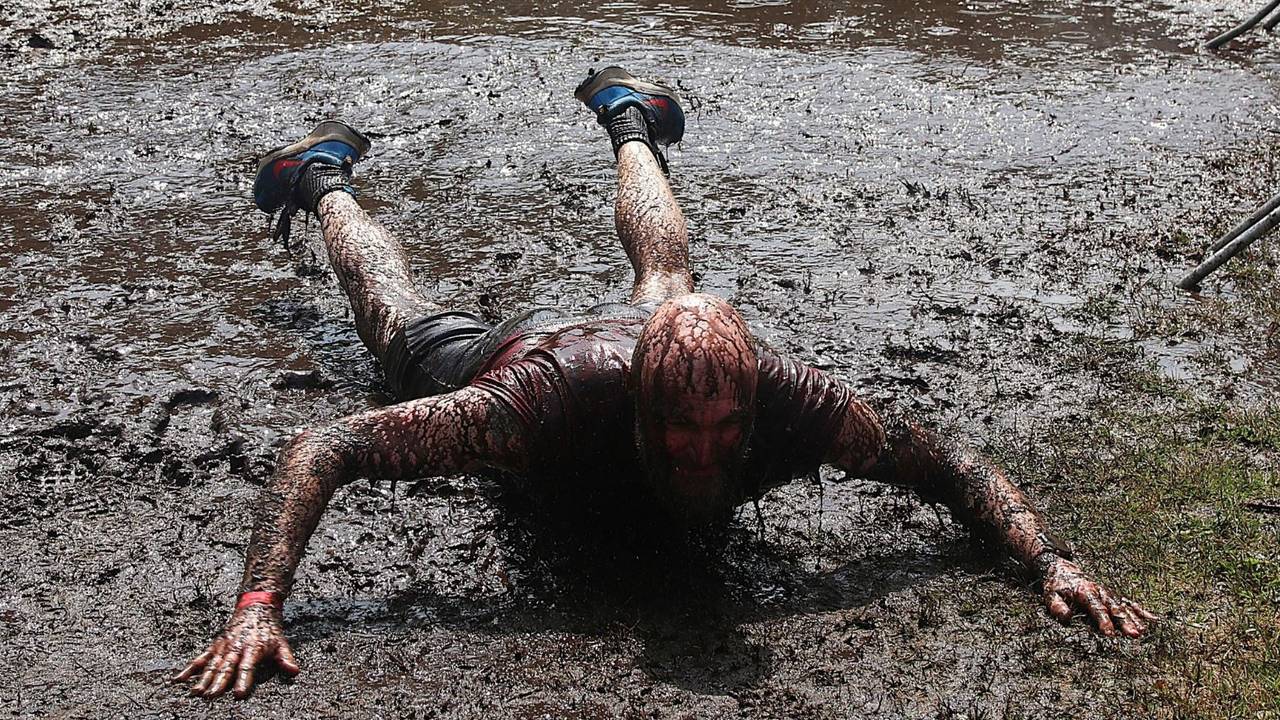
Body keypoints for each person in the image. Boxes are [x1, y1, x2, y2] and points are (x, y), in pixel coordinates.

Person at [175, 67, 1155, 699]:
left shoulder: (789, 404)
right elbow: (327, 447)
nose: (701, 459)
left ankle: (629, 112)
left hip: (656, 333)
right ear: (637, 410)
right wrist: (258, 601)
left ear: (750, 412)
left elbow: (948, 466)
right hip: (536, 352)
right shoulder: (537, 407)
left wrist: (1045, 561)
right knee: (393, 320)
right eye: (676, 438)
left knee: (668, 283)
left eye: (719, 437)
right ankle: (319, 180)